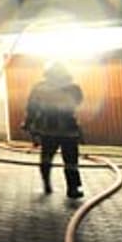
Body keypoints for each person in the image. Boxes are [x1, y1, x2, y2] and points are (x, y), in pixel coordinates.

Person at [23, 62, 84, 199]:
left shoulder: (40, 88)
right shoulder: (73, 88)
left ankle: (47, 184)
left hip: (48, 129)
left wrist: (28, 123)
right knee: (71, 161)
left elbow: (31, 107)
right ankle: (73, 188)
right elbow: (78, 102)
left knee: (47, 158)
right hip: (68, 130)